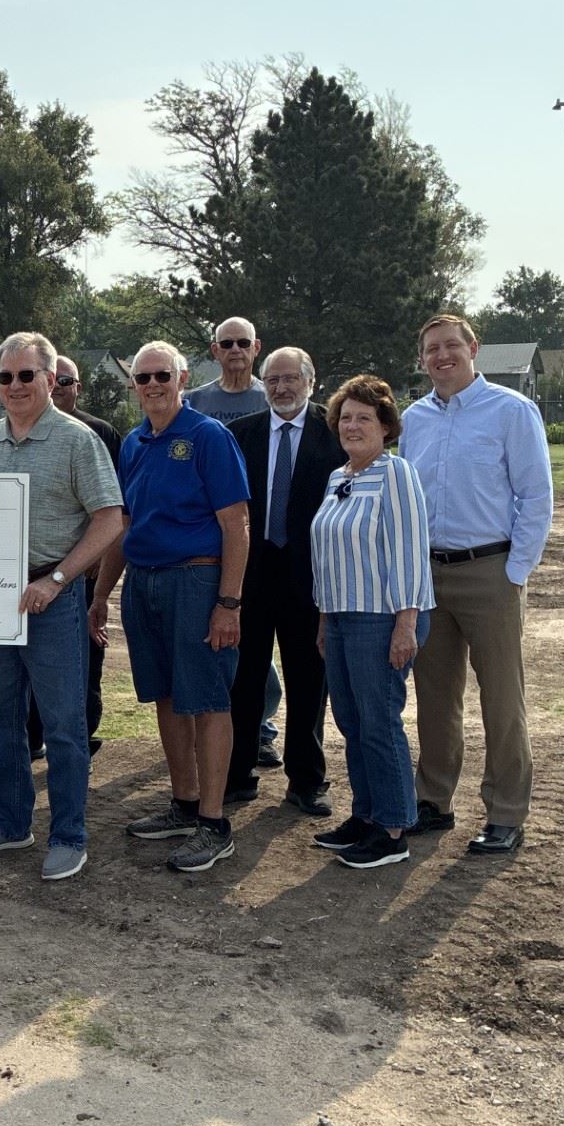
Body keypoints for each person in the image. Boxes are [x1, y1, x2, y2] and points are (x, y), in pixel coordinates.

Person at [0, 333, 124, 883]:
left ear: (51, 380)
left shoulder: (77, 441)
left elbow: (109, 519)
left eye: (27, 376)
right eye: (6, 378)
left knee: (63, 724)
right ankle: (9, 821)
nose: (15, 386)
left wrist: (57, 579)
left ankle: (69, 833)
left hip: (52, 596)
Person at [91, 343, 250, 875]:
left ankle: (213, 822)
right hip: (145, 584)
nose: (153, 384)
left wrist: (228, 602)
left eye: (162, 375)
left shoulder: (209, 437)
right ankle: (183, 802)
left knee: (206, 699)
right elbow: (124, 525)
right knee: (164, 695)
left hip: (198, 581)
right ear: (133, 384)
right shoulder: (135, 442)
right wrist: (100, 595)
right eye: (143, 377)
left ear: (182, 378)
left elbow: (236, 526)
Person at [400, 312, 554, 855]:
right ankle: (433, 802)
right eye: (431, 349)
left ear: (473, 349)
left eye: (451, 346)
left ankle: (507, 812)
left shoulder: (511, 411)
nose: (442, 356)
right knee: (435, 698)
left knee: (502, 700)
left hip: (491, 570)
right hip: (429, 574)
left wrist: (515, 572)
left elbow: (536, 497)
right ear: (421, 360)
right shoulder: (413, 419)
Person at [309, 375, 434, 870]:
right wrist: (323, 619)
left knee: (379, 721)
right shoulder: (338, 477)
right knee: (351, 720)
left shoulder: (396, 473)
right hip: (339, 617)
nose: (352, 426)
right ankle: (365, 816)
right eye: (345, 418)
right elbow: (326, 555)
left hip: (382, 618)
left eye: (364, 418)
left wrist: (406, 624)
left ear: (385, 427)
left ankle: (394, 826)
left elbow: (409, 553)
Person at [224, 348, 346, 816]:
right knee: (244, 679)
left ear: (311, 382)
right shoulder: (241, 435)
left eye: (290, 378)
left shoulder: (334, 435)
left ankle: (307, 779)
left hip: (312, 580)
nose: (281, 388)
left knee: (309, 681)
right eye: (272, 380)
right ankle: (237, 774)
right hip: (251, 578)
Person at [185, 314, 279, 764]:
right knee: (222, 637)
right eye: (228, 343)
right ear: (214, 350)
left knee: (259, 643)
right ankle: (222, 728)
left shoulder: (273, 395)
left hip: (265, 535)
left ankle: (260, 724)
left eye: (243, 342)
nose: (236, 350)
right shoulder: (196, 401)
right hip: (212, 537)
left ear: (256, 346)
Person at [42, 354, 122, 755]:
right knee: (37, 662)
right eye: (53, 379)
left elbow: (114, 510)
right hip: (40, 574)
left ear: (78, 387)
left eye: (67, 381)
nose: (59, 388)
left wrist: (99, 562)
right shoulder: (24, 433)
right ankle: (33, 735)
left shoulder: (100, 433)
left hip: (88, 572)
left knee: (88, 660)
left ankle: (84, 739)